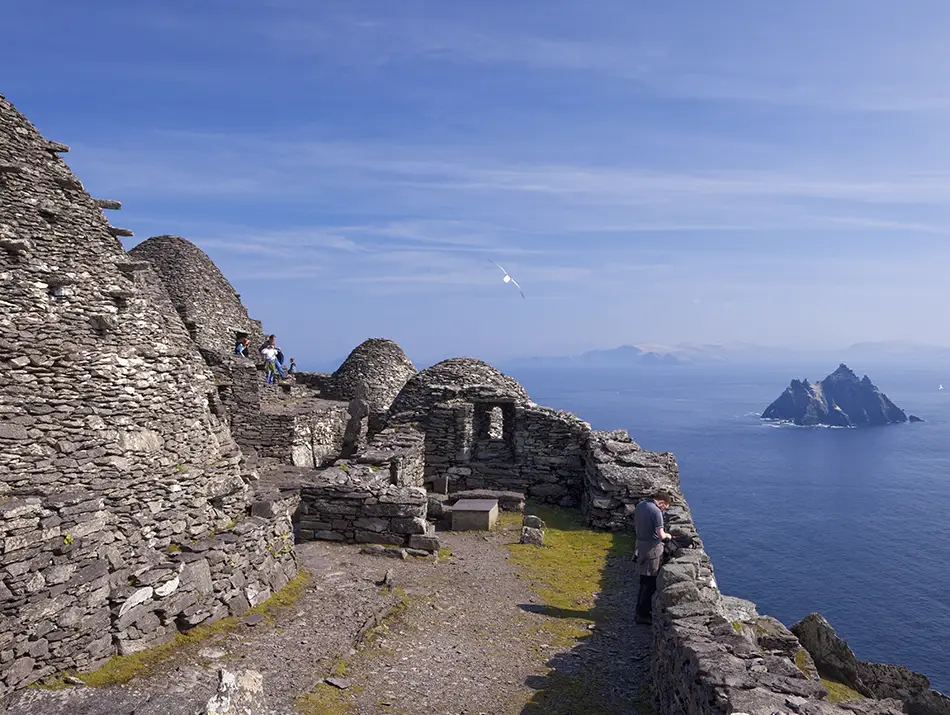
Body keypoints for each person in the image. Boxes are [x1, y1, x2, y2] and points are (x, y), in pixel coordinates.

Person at [633, 490, 673, 625]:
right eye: (665, 508)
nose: (664, 510)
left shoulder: (640, 505)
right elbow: (661, 535)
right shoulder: (656, 512)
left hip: (640, 546)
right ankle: (643, 614)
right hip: (652, 550)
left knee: (643, 581)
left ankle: (639, 611)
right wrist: (668, 536)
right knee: (649, 583)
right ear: (662, 502)